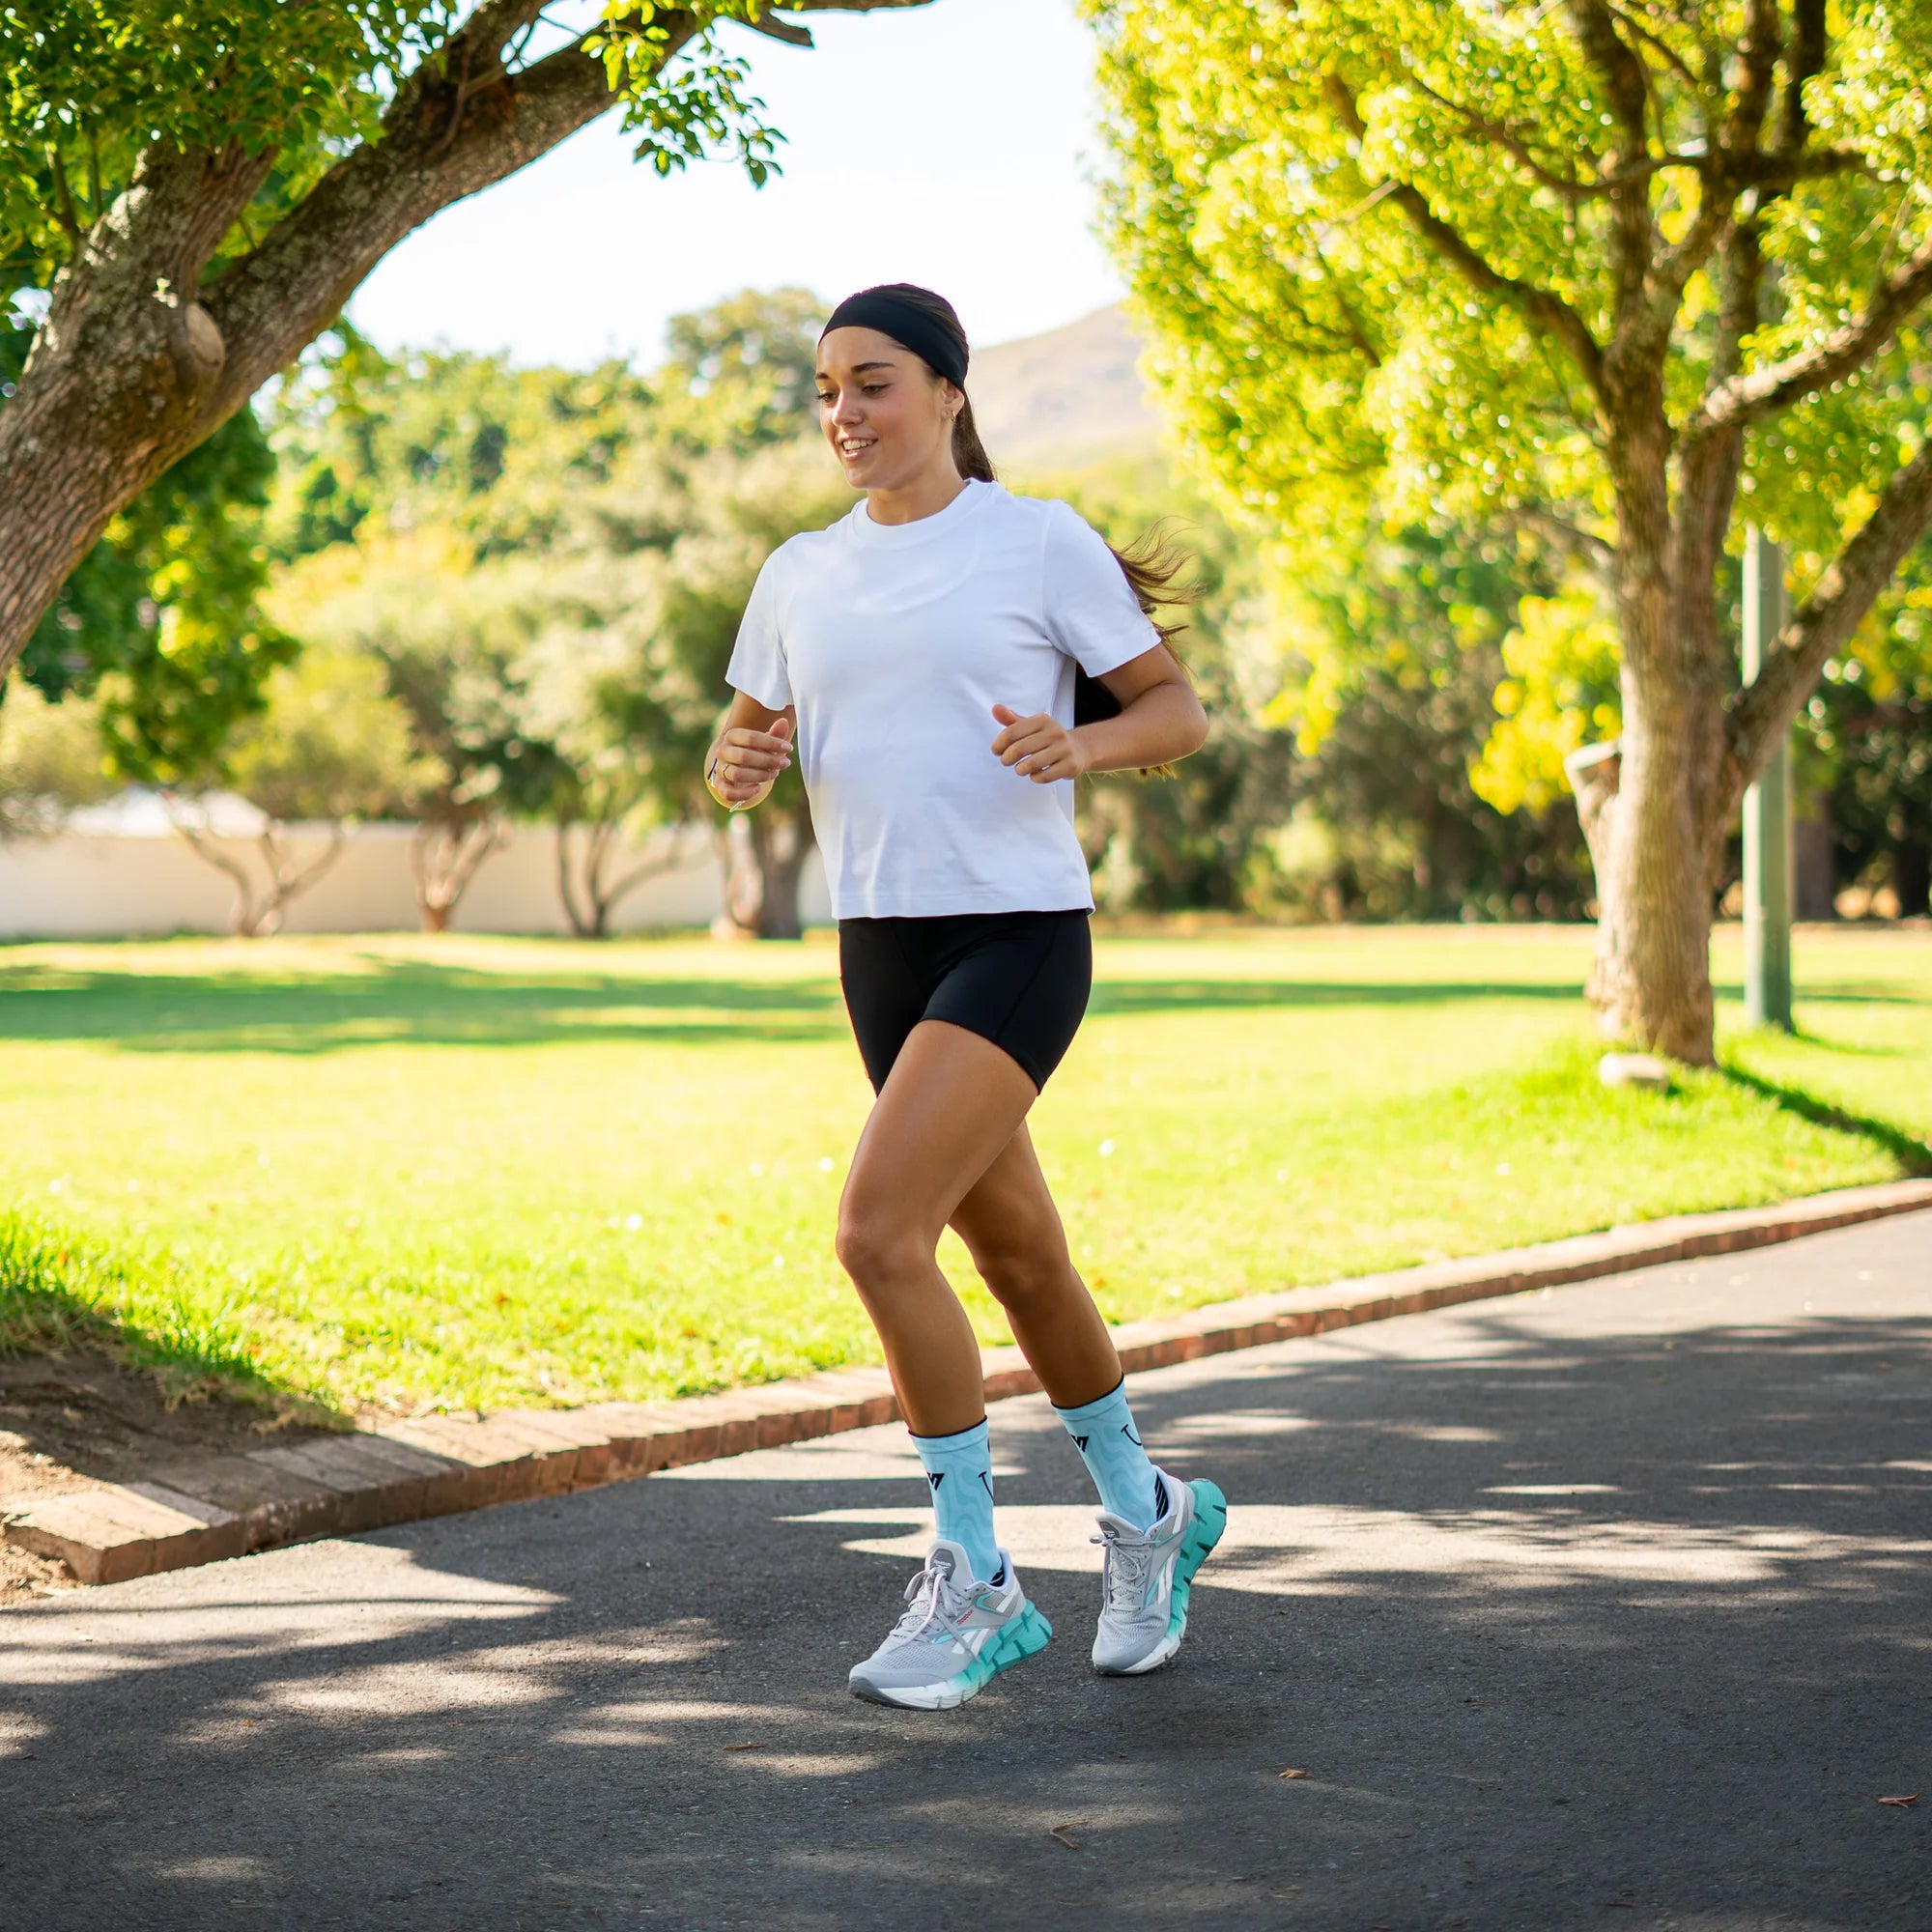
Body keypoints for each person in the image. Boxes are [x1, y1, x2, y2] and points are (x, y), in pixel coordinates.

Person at [706, 283, 1226, 1711]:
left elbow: (1176, 712)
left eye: (871, 383)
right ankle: (1149, 1511)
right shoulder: (800, 571)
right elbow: (741, 738)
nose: (844, 414)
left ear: (948, 392)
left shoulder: (1036, 542)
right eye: (825, 391)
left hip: (1017, 934)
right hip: (881, 945)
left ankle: (977, 1573)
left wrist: (1082, 748)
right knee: (1022, 1261)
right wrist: (738, 767)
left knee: (879, 1237)